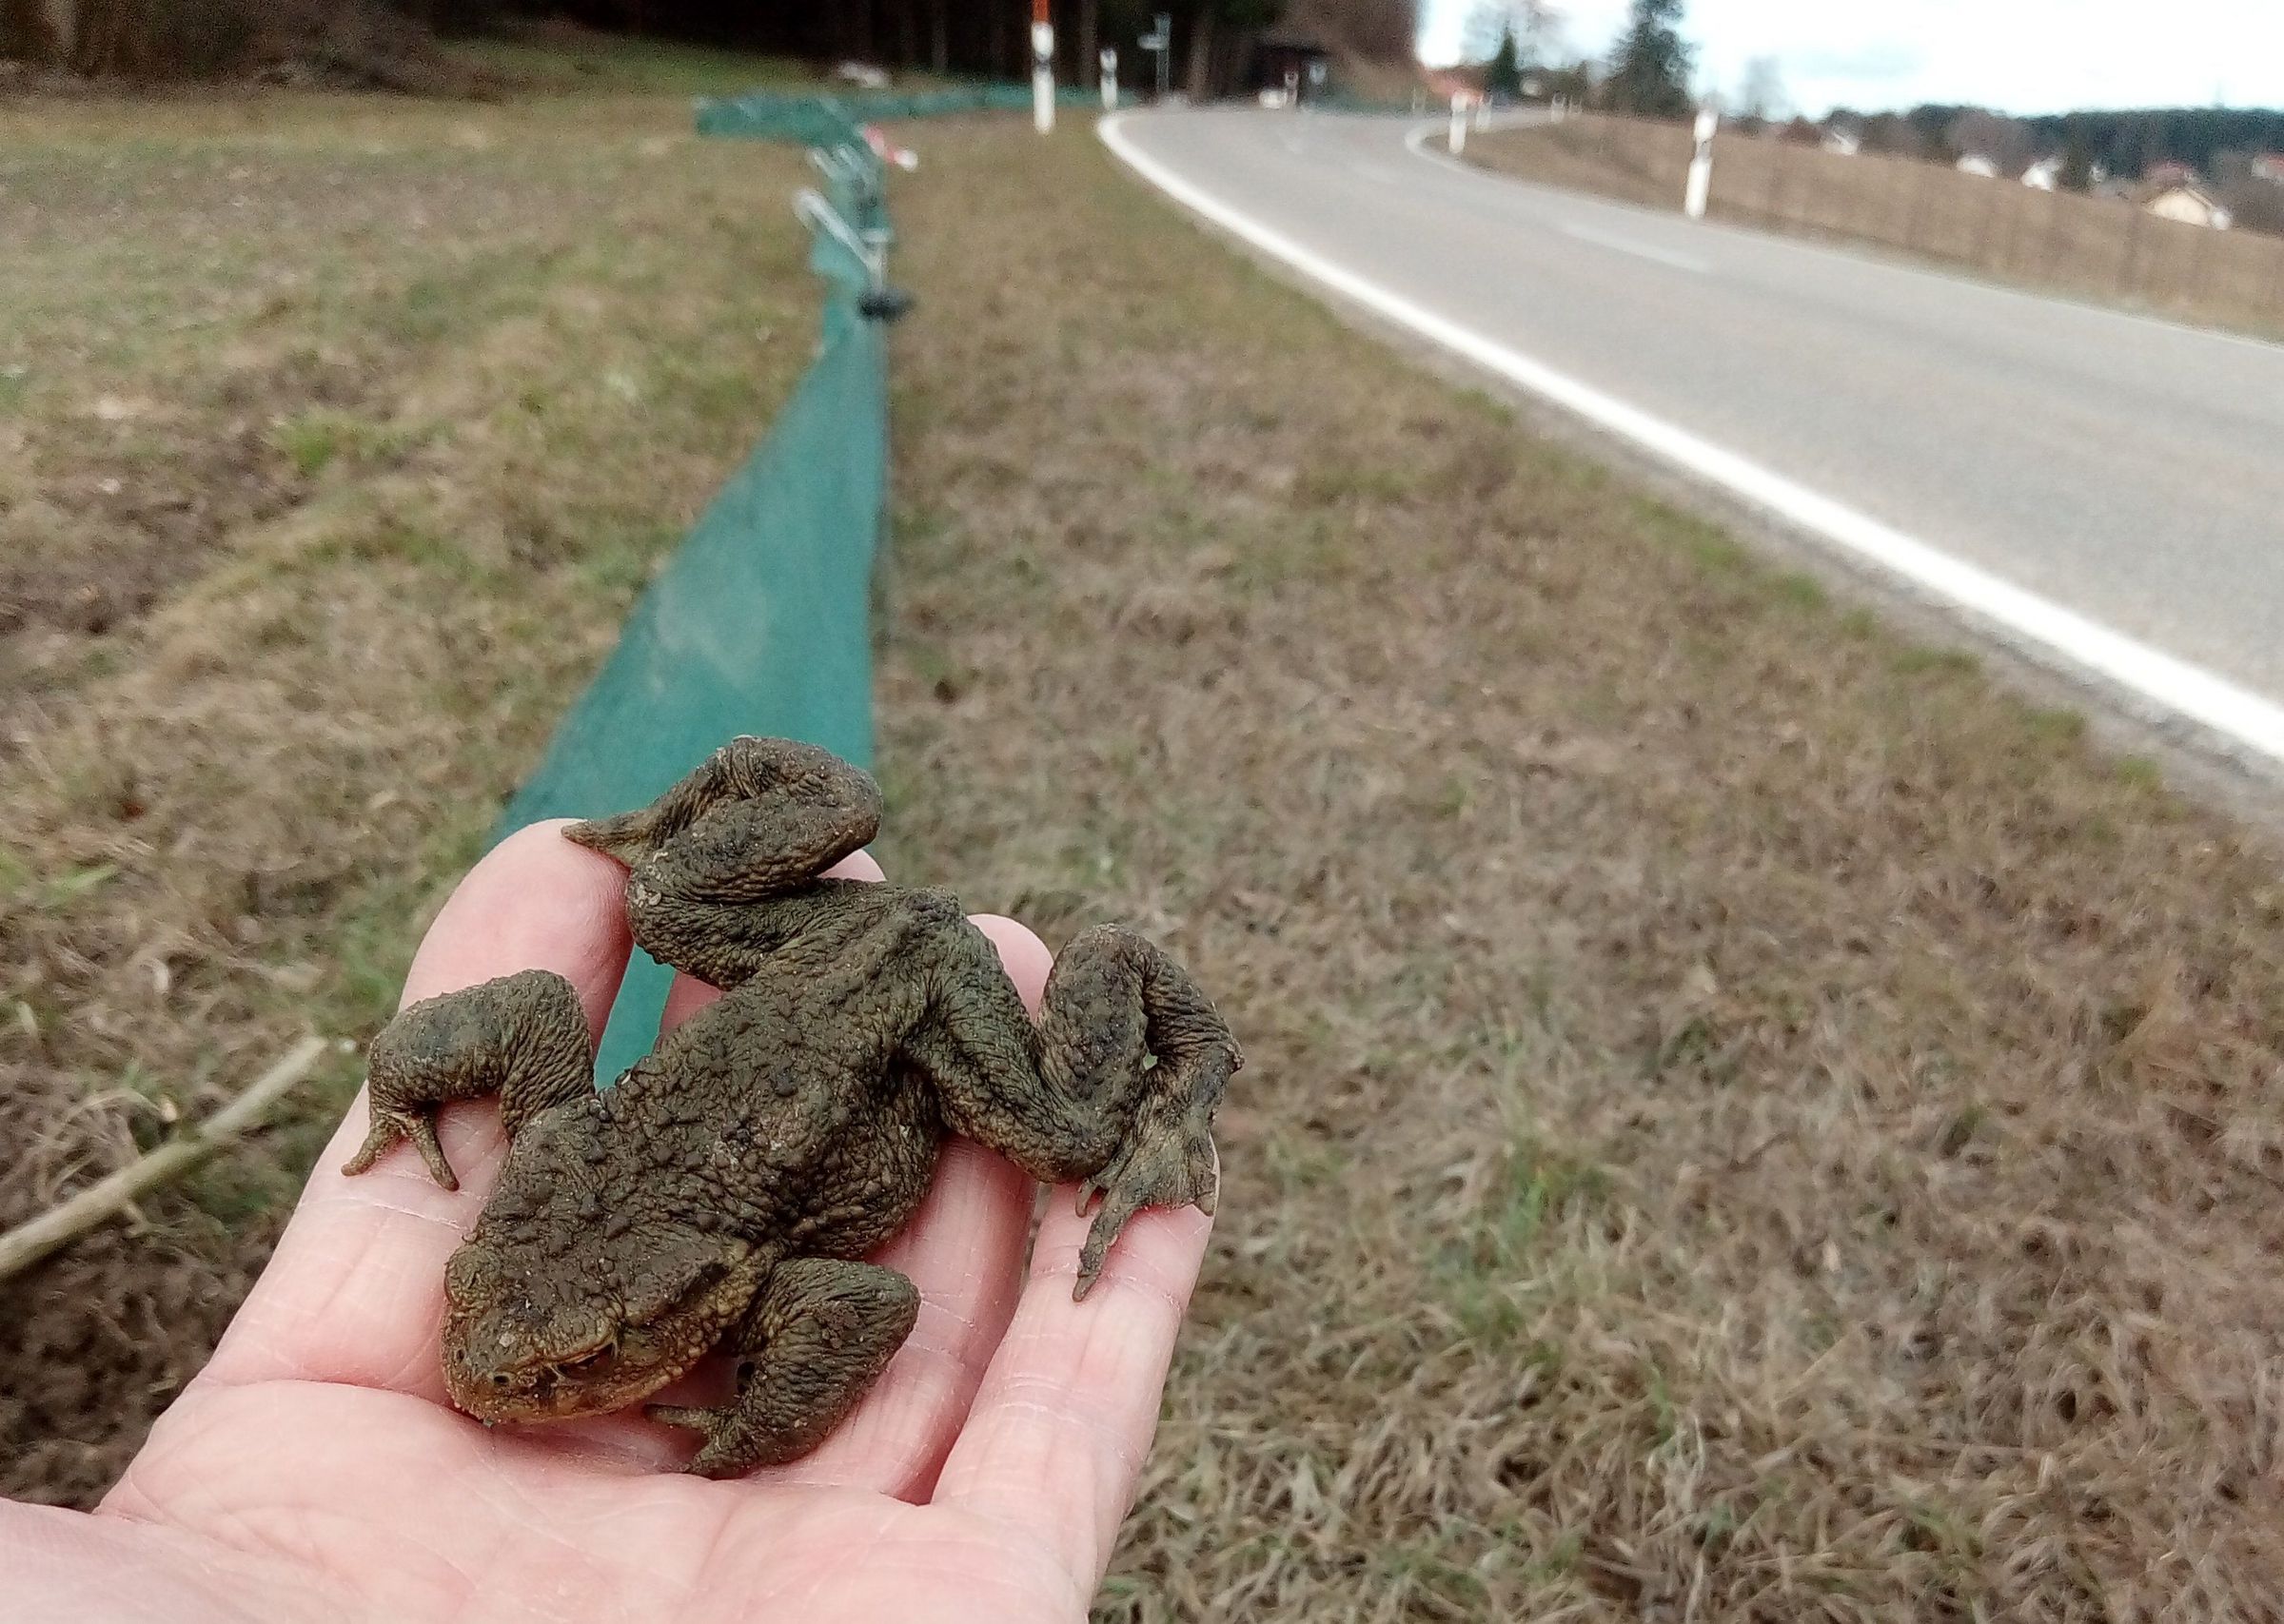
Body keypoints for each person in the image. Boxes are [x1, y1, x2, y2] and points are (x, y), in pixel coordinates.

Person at [1, 820, 1213, 1622]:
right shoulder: (559, 1148)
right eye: (466, 1301)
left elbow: (871, 1298)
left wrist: (761, 1426)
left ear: (664, 1323)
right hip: (811, 968)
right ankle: (738, 794)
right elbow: (532, 1008)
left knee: (1060, 1139)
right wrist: (404, 1077)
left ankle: (1181, 1042)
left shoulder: (724, 1266)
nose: (480, 1371)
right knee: (661, 904)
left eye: (576, 1364)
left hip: (920, 1008)